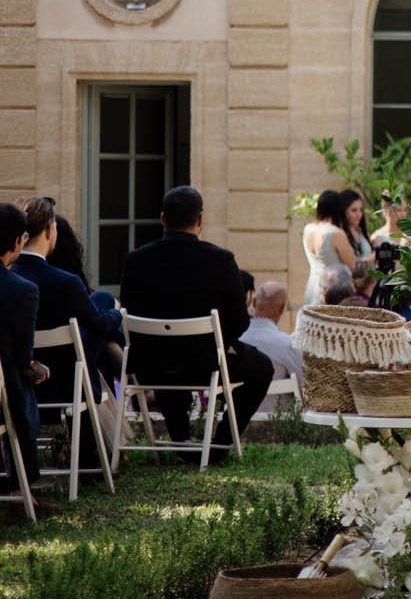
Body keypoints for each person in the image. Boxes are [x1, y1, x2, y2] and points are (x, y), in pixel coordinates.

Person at [119, 186, 274, 455]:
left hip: (150, 365)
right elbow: (240, 322)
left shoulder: (135, 261)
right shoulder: (222, 261)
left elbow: (129, 313)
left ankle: (180, 438)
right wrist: (218, 343)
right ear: (200, 221)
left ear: (163, 219)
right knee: (262, 368)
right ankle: (221, 443)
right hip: (205, 364)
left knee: (168, 351)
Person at [17, 197, 124, 409]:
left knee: (99, 302)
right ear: (48, 232)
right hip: (68, 384)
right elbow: (99, 325)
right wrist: (119, 312)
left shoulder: (10, 277)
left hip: (22, 382)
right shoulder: (66, 282)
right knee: (104, 303)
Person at [0, 203, 46, 490]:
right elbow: (22, 357)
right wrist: (37, 368)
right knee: (23, 381)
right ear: (18, 241)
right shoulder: (22, 290)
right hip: (3, 396)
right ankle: (24, 482)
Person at [241, 281, 304, 386]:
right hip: (278, 402)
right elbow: (305, 386)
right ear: (281, 308)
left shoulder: (238, 338)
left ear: (254, 302)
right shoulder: (288, 344)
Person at [302, 190, 356, 311]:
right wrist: (373, 256)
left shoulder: (308, 229)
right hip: (332, 289)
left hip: (311, 286)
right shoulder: (336, 233)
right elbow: (354, 265)